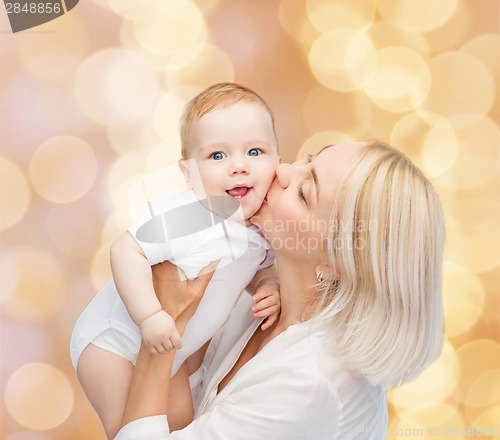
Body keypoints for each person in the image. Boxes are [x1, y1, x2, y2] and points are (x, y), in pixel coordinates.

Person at [115, 140, 445, 439]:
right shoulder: (263, 298)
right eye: (309, 159)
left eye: (304, 192)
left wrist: (163, 326)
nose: (283, 169)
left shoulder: (312, 383)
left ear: (335, 265)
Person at [70, 83, 282, 439]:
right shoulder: (190, 216)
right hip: (113, 344)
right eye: (218, 156)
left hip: (172, 352)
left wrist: (268, 286)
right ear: (188, 174)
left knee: (183, 424)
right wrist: (149, 315)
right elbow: (126, 250)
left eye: (255, 151)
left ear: (277, 158)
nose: (239, 167)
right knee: (129, 425)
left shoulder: (262, 226)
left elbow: (257, 269)